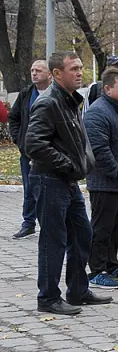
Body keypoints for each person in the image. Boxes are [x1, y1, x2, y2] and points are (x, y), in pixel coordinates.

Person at [24, 52, 111, 316]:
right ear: (57, 74)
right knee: (54, 240)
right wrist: (68, 165)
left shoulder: (70, 100)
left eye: (80, 68)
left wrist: (78, 166)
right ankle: (48, 297)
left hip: (67, 181)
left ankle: (77, 290)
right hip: (50, 179)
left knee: (82, 234)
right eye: (73, 68)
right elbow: (34, 145)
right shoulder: (48, 102)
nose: (79, 72)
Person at [81, 67, 118, 291]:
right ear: (107, 89)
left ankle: (111, 265)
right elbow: (100, 152)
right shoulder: (99, 112)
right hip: (105, 183)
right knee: (102, 228)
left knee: (115, 228)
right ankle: (96, 271)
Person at [10, 59, 52, 240]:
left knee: (49, 189)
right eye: (32, 70)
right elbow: (14, 117)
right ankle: (28, 223)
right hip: (28, 152)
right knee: (29, 187)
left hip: (50, 152)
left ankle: (49, 225)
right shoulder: (26, 93)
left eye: (39, 70)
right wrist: (19, 140)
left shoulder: (56, 93)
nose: (34, 73)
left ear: (50, 74)